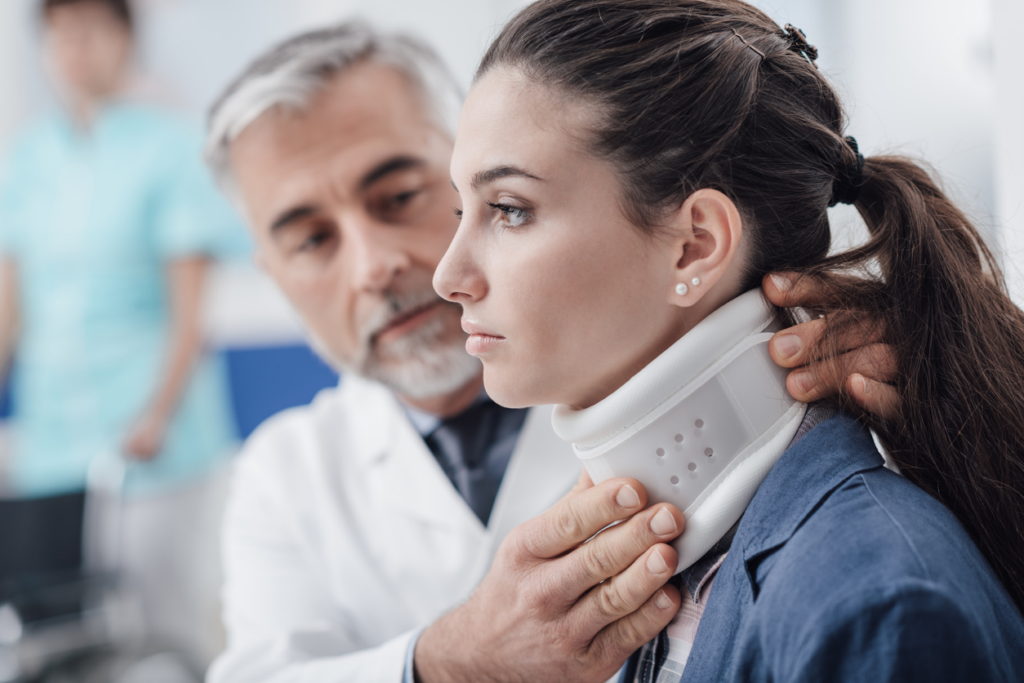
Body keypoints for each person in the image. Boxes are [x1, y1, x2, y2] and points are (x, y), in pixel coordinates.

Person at [203, 22, 898, 683]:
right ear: (274, 275)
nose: (376, 265)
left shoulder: (811, 385)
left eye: (401, 196)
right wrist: (446, 663)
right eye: (312, 240)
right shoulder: (285, 478)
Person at [432, 0, 1024, 681]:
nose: (449, 276)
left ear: (696, 245)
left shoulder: (876, 605)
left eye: (508, 210)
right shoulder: (675, 578)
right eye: (460, 209)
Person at [0, 0, 245, 667]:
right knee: (51, 626)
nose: (75, 49)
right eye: (59, 35)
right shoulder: (29, 157)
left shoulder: (168, 148)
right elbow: (10, 304)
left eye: (90, 31)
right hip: (51, 436)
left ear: (125, 40)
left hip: (151, 441)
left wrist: (155, 412)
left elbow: (191, 311)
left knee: (158, 628)